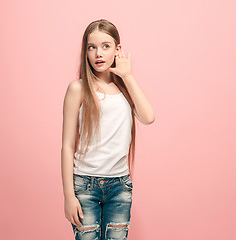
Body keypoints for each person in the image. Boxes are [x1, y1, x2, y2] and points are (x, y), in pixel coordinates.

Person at [61, 19, 155, 240]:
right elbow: (66, 145)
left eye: (106, 46)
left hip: (119, 185)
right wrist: (68, 195)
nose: (98, 54)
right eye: (91, 47)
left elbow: (148, 117)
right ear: (85, 51)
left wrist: (128, 75)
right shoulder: (78, 89)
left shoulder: (124, 88)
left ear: (117, 49)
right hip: (85, 184)